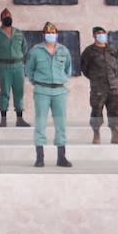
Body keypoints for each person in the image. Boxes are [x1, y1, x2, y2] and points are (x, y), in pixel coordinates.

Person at [25, 22, 73, 167]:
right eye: (48, 33)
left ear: (57, 34)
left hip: (59, 91)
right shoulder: (36, 51)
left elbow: (68, 69)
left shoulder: (63, 50)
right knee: (40, 123)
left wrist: (62, 79)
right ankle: (40, 157)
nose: (51, 35)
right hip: (42, 90)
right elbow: (29, 70)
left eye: (53, 33)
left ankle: (61, 157)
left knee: (61, 123)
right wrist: (37, 82)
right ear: (43, 34)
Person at [80, 26, 118, 146]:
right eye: (99, 33)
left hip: (113, 87)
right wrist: (95, 78)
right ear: (94, 35)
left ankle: (115, 135)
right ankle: (96, 135)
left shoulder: (111, 49)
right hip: (98, 88)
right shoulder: (89, 51)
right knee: (96, 111)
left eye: (103, 33)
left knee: (114, 111)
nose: (101, 35)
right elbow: (84, 68)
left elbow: (117, 65)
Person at [0, 8, 30, 128]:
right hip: (3, 66)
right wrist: (1, 57)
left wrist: (17, 57)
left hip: (18, 66)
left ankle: (19, 119)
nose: (7, 17)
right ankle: (3, 119)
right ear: (1, 19)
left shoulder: (19, 33)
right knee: (4, 91)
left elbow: (24, 48)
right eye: (5, 16)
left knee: (19, 92)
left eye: (9, 16)